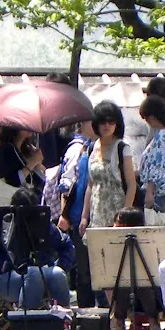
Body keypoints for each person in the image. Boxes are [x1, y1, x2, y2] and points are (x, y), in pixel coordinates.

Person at [0, 188, 75, 311]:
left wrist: (61, 266)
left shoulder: (42, 224)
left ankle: (63, 320)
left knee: (57, 273)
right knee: (33, 274)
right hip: (6, 277)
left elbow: (67, 244)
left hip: (39, 274)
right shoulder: (3, 224)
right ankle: (25, 319)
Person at [80, 102, 139, 233]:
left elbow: (131, 184)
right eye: (102, 121)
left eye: (111, 121)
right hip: (96, 214)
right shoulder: (92, 148)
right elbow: (91, 185)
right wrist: (84, 216)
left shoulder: (122, 149)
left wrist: (123, 217)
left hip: (117, 212)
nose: (107, 125)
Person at [56, 119, 95, 305]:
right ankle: (86, 309)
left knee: (91, 265)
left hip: (89, 211)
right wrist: (65, 213)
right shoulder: (78, 149)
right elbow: (67, 184)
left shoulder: (92, 147)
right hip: (79, 213)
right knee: (84, 267)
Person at [107, 208, 162, 330]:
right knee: (121, 288)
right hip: (121, 276)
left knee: (146, 287)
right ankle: (119, 325)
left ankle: (154, 323)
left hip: (146, 277)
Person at [138, 97, 165, 214]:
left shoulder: (163, 136)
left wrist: (149, 191)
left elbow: (157, 166)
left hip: (158, 192)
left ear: (152, 117)